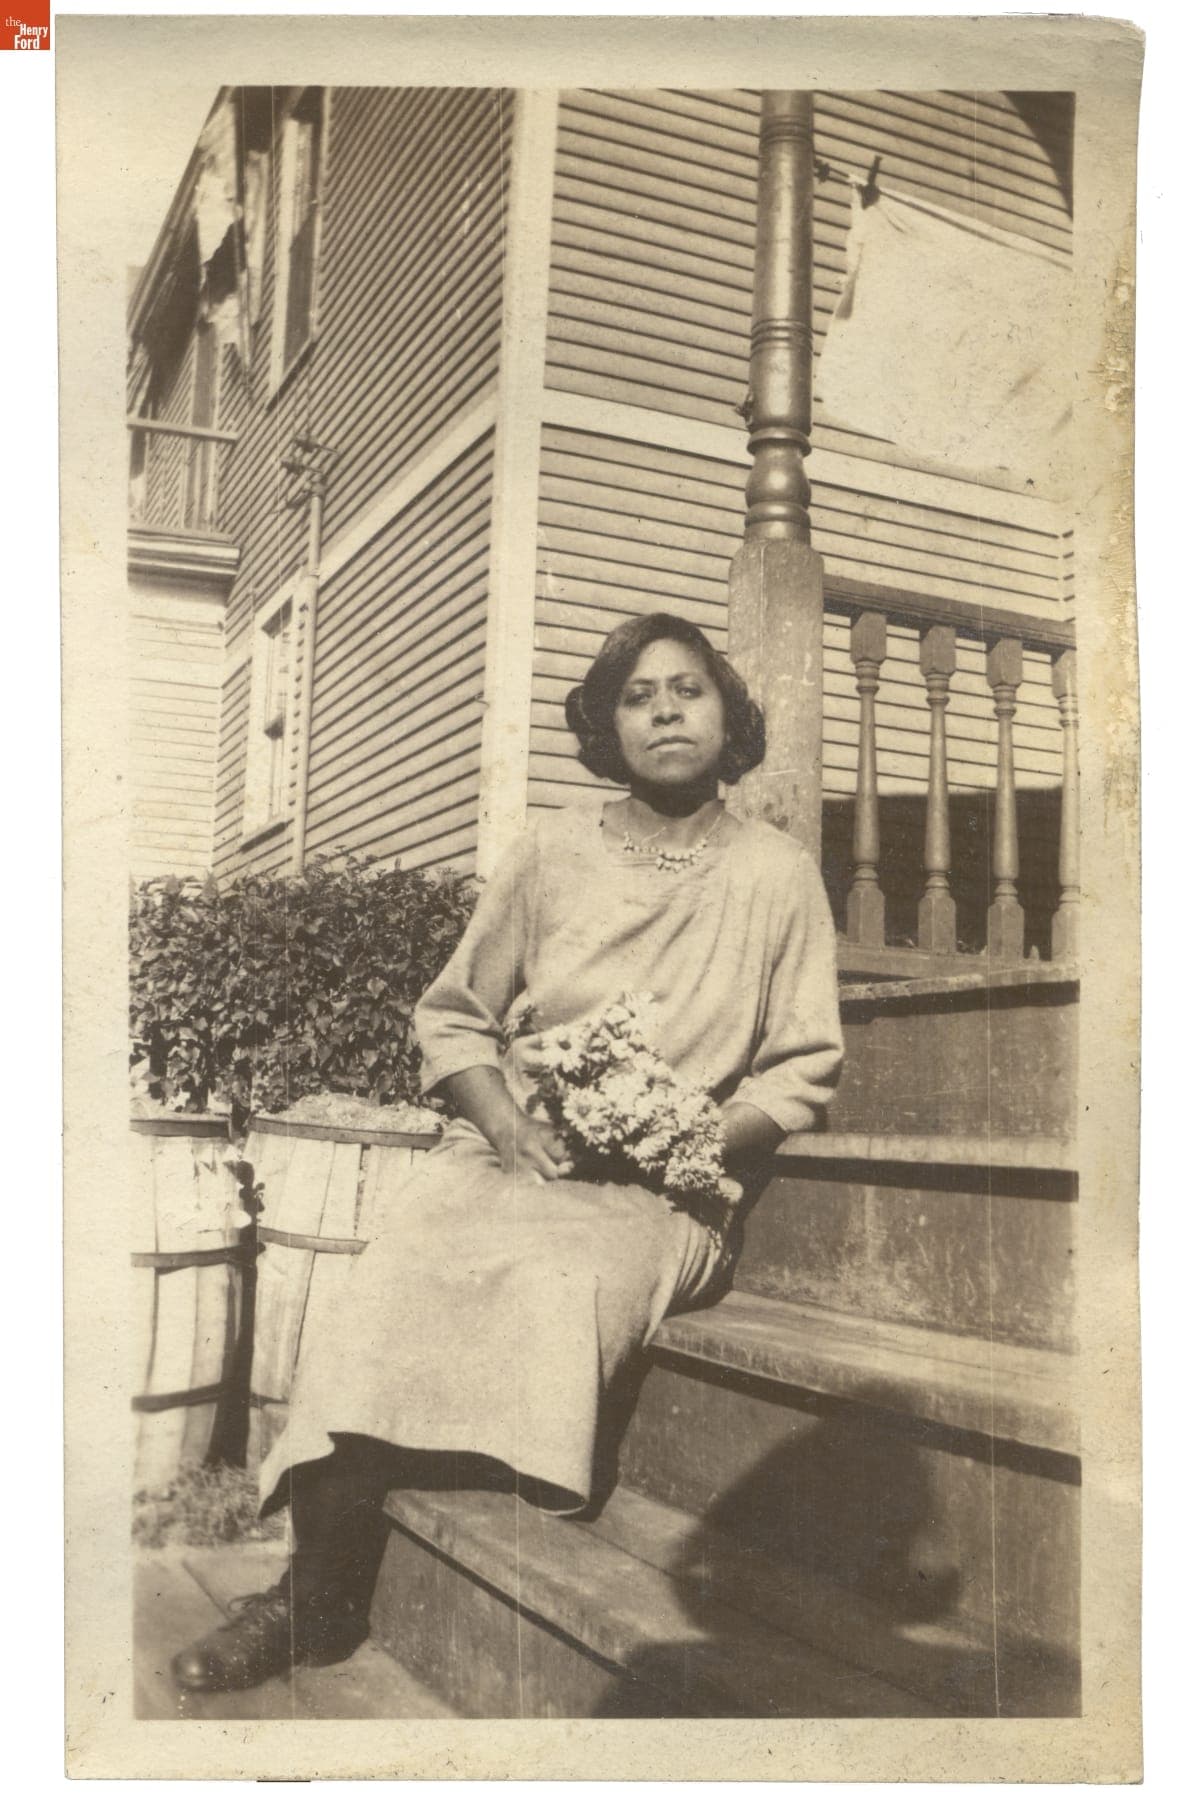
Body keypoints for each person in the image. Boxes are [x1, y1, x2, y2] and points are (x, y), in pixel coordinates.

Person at [171, 611, 844, 1694]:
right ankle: (313, 1597)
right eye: (638, 695)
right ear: (605, 724)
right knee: (391, 1271)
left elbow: (801, 1069)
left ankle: (461, 1504)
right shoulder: (552, 852)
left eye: (689, 689)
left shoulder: (776, 875)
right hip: (517, 1158)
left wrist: (691, 1140)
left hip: (663, 1193)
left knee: (556, 1278)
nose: (666, 711)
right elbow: (455, 1017)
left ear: (729, 715)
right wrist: (510, 1127)